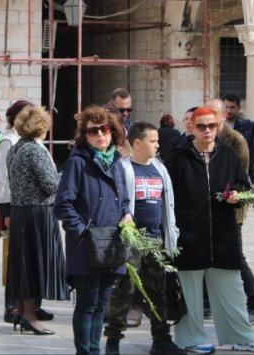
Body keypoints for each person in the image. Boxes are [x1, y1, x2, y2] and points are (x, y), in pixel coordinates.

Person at [163, 107, 254, 354]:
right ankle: (190, 338)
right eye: (201, 126)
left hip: (223, 235)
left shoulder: (229, 154)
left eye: (212, 126)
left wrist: (238, 195)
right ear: (192, 127)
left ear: (219, 125)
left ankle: (241, 336)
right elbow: (166, 195)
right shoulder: (177, 156)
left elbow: (243, 184)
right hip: (188, 235)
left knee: (231, 289)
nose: (207, 131)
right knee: (189, 292)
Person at [103, 122, 184, 355]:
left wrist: (170, 236)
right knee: (125, 290)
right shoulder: (122, 168)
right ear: (137, 143)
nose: (157, 145)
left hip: (155, 240)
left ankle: (161, 339)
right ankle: (113, 340)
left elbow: (168, 204)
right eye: (153, 141)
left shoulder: (159, 168)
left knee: (158, 291)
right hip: (131, 242)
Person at [54, 105, 129, 354]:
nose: (99, 135)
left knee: (101, 305)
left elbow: (124, 199)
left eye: (104, 129)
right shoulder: (77, 163)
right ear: (84, 136)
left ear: (112, 131)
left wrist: (127, 214)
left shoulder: (116, 163)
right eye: (92, 131)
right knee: (87, 304)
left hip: (111, 244)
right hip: (87, 244)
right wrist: (82, 231)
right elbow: (62, 204)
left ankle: (94, 350)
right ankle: (85, 351)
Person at [0, 101, 54, 324]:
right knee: (17, 260)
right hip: (17, 207)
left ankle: (32, 305)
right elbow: (2, 178)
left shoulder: (32, 142)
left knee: (32, 259)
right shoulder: (9, 141)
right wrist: (6, 210)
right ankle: (13, 306)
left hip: (31, 207)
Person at [6, 106, 67, 335]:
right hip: (37, 213)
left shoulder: (16, 148)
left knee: (23, 265)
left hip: (20, 212)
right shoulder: (35, 150)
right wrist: (67, 172)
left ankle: (22, 312)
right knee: (33, 265)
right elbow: (51, 185)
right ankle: (30, 316)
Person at [205, 99, 254, 324]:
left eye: (213, 114)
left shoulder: (235, 140)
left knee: (235, 255)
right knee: (206, 253)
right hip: (208, 209)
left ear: (223, 116)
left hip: (231, 207)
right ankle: (206, 303)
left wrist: (230, 194)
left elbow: (241, 175)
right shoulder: (203, 138)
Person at [222, 92, 254, 183]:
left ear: (238, 108)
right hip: (222, 173)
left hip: (244, 174)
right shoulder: (215, 126)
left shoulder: (247, 125)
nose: (228, 110)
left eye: (232, 107)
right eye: (226, 107)